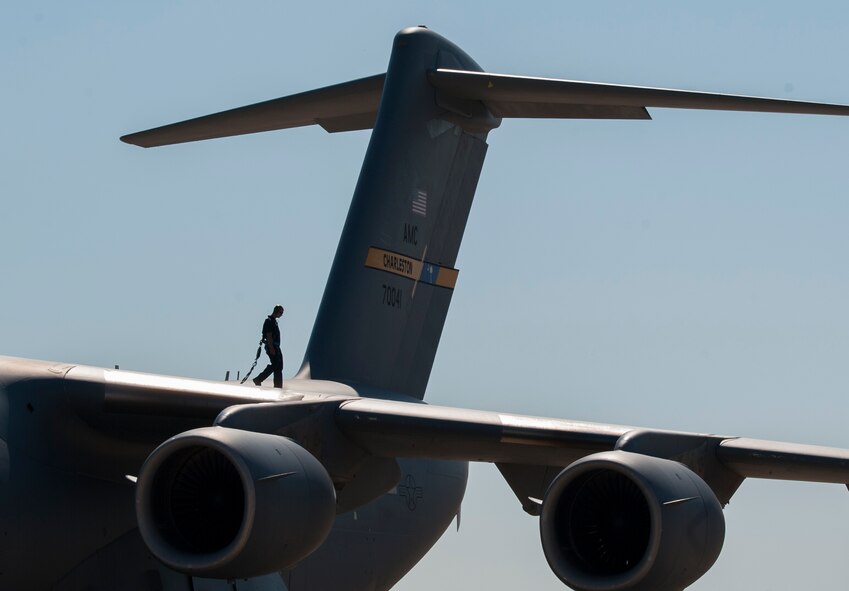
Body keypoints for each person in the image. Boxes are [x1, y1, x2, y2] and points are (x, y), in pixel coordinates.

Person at [253, 305, 284, 388]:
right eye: (281, 312)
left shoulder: (274, 321)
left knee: (279, 366)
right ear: (277, 311)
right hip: (272, 346)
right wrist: (271, 348)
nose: (281, 315)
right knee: (275, 365)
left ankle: (278, 386)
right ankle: (259, 379)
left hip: (276, 347)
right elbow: (269, 335)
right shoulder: (269, 321)